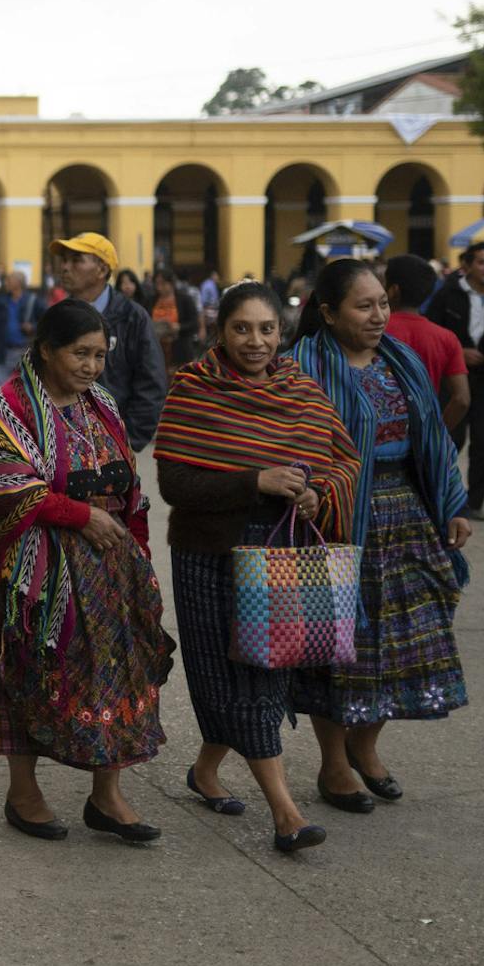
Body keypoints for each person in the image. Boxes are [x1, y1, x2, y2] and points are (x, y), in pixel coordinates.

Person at [0, 299, 175, 844]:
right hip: (32, 574)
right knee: (28, 670)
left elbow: (128, 483)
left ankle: (107, 795)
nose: (91, 366)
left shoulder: (101, 404)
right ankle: (23, 792)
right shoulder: (10, 409)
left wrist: (137, 555)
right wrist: (78, 516)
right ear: (47, 350)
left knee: (118, 673)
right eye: (80, 353)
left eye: (100, 355)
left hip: (106, 568)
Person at [152, 281, 357, 853]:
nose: (256, 341)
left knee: (264, 674)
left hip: (281, 556)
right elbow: (175, 485)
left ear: (281, 332)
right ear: (221, 330)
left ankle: (211, 775)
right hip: (209, 555)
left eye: (267, 329)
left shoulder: (301, 390)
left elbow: (341, 461)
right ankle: (286, 813)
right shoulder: (194, 388)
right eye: (242, 328)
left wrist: (316, 494)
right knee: (229, 678)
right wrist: (255, 481)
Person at [289, 259, 472, 815]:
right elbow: (288, 442)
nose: (378, 316)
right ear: (328, 312)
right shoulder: (301, 368)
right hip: (336, 522)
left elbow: (434, 434)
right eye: (363, 306)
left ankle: (366, 748)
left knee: (405, 642)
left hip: (409, 515)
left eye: (382, 304)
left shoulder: (403, 359)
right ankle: (333, 764)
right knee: (337, 646)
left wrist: (453, 504)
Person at [52, 233, 166, 451]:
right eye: (64, 260)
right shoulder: (56, 317)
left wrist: (127, 440)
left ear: (102, 269)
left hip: (113, 447)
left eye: (76, 260)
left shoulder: (132, 317)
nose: (65, 267)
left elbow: (152, 383)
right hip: (62, 446)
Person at [426, 241, 484, 516]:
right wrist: (458, 351)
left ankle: (474, 502)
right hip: (451, 377)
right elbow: (432, 330)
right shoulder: (447, 294)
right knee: (451, 437)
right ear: (468, 265)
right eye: (483, 262)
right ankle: (442, 495)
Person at [383, 255, 469, 431]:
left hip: (379, 435)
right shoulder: (446, 337)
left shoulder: (373, 331)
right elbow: (462, 399)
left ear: (393, 290)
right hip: (422, 431)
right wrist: (437, 434)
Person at [0, 270, 40, 387]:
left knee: (23, 392)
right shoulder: (0, 302)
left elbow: (48, 321)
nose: (6, 283)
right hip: (3, 353)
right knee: (0, 392)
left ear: (18, 283)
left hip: (24, 353)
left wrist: (33, 327)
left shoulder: (32, 301)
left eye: (9, 280)